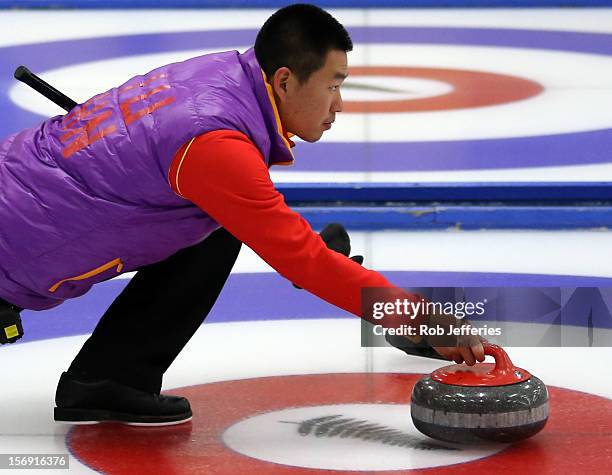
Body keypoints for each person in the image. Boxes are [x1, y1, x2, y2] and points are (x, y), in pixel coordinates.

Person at [0, 3, 484, 426]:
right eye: (333, 86)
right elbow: (304, 260)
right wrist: (420, 321)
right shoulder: (214, 142)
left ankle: (109, 380)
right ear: (285, 79)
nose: (339, 105)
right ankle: (107, 378)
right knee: (220, 225)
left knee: (214, 227)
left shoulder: (218, 76)